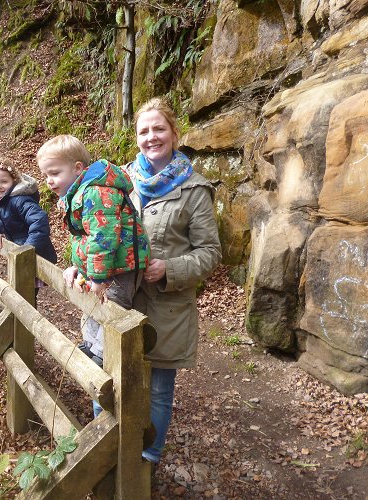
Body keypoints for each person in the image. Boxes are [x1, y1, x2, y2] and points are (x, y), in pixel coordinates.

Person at [124, 98, 221, 467]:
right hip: (118, 301)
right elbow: (93, 228)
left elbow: (210, 252)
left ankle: (148, 459)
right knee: (110, 376)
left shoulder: (195, 190)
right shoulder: (120, 180)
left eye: (159, 128)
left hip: (166, 307)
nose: (152, 137)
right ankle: (107, 449)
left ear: (174, 133)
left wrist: (169, 268)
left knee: (159, 391)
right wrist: (80, 265)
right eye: (144, 131)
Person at [36, 134, 149, 373]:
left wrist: (98, 276)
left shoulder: (97, 192)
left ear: (78, 168)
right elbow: (83, 238)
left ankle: (101, 355)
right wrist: (77, 265)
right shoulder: (79, 193)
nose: (49, 181)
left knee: (112, 307)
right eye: (46, 175)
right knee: (92, 306)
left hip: (121, 266)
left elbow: (103, 237)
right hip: (104, 266)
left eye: (55, 173)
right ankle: (91, 346)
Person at [0, 158, 58, 293]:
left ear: (13, 181)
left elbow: (39, 220)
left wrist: (28, 247)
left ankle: (26, 312)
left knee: (26, 287)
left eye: (4, 181)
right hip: (16, 247)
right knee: (19, 284)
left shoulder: (19, 200)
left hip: (34, 249)